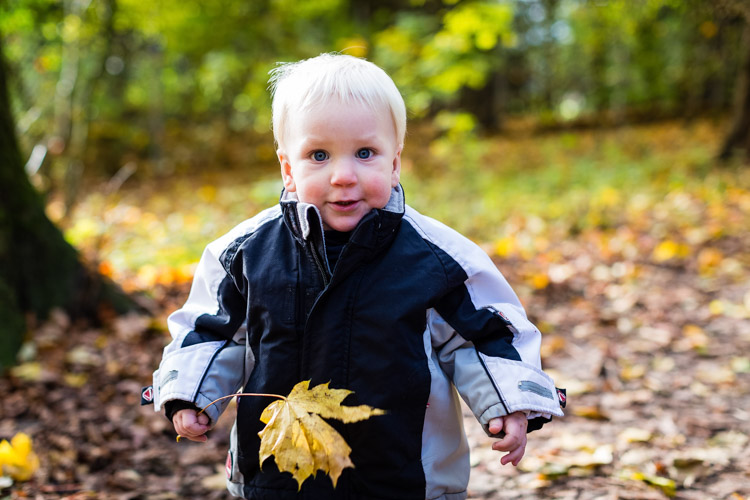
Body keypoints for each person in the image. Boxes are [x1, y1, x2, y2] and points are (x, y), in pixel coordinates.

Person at [148, 53, 564, 500]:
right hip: (277, 475)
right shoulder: (246, 253)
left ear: (395, 162)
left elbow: (483, 332)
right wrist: (191, 393)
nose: (344, 176)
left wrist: (510, 402)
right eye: (319, 155)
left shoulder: (436, 258)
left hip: (403, 475)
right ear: (288, 168)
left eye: (365, 153)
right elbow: (213, 332)